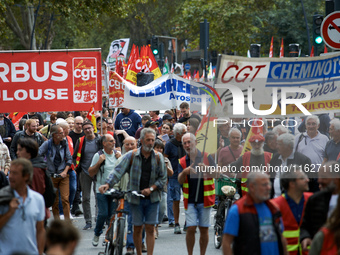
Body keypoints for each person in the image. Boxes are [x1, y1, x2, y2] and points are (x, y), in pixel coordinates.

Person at [99, 128, 167, 255]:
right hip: (135, 198)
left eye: (152, 140)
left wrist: (151, 189)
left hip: (152, 198)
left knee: (150, 228)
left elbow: (163, 178)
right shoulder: (131, 155)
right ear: (141, 140)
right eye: (148, 140)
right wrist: (107, 184)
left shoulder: (158, 157)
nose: (151, 143)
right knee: (137, 228)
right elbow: (118, 171)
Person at [222, 171, 287, 255]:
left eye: (269, 184)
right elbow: (226, 242)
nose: (269, 188)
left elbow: (281, 238)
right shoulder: (237, 210)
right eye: (264, 185)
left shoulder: (273, 208)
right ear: (252, 187)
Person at [178, 133, 215, 255]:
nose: (188, 145)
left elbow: (217, 174)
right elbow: (179, 180)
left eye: (190, 142)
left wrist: (207, 169)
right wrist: (184, 172)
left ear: (196, 142)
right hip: (190, 201)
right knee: (191, 228)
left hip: (205, 200)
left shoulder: (206, 156)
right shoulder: (182, 161)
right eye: (185, 143)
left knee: (204, 229)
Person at [0, 158, 45, 255]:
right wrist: (9, 213)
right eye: (10, 172)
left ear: (26, 176)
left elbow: (40, 230)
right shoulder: (2, 198)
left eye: (15, 173)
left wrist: (40, 252)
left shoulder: (38, 199)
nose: (10, 176)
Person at [88, 134, 122, 246]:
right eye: (111, 141)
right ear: (104, 143)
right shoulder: (99, 155)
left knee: (112, 215)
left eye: (114, 141)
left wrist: (120, 159)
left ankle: (109, 237)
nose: (114, 143)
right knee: (103, 214)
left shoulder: (117, 155)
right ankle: (97, 233)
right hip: (101, 189)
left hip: (114, 190)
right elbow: (91, 172)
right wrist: (99, 162)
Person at [299, 161, 340, 252]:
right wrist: (305, 237)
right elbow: (305, 226)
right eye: (319, 176)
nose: (319, 180)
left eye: (324, 177)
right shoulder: (314, 200)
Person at [272, 167, 312, 255]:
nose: (307, 180)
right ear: (292, 184)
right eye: (302, 178)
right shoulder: (275, 205)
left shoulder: (312, 200)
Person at [39, 125, 72, 220]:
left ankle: (67, 222)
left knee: (65, 199)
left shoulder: (64, 143)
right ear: (54, 135)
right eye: (61, 133)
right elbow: (38, 154)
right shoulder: (47, 144)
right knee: (55, 201)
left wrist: (65, 172)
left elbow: (69, 159)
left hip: (63, 175)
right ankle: (57, 222)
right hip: (52, 176)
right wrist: (45, 167)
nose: (63, 134)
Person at [73, 121, 101, 230]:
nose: (88, 131)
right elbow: (75, 156)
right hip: (85, 172)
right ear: (83, 131)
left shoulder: (99, 140)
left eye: (89, 128)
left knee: (99, 196)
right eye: (85, 129)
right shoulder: (81, 141)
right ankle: (88, 221)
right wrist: (76, 167)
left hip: (98, 171)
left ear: (93, 128)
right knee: (85, 198)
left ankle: (99, 219)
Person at [17, 138, 51, 219]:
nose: (17, 152)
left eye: (20, 150)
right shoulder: (29, 167)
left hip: (34, 213)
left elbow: (38, 191)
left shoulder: (35, 170)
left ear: (29, 152)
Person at [269, 133, 311, 198]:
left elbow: (309, 182)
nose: (277, 147)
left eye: (279, 144)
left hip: (293, 200)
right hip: (275, 199)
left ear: (288, 146)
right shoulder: (275, 158)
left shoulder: (303, 160)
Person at [294, 115, 329, 192]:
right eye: (309, 124)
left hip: (318, 176)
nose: (311, 126)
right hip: (302, 175)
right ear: (305, 126)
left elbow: (327, 157)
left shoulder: (324, 139)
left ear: (318, 125)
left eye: (313, 124)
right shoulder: (299, 137)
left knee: (317, 200)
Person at [164, 123, 187, 233]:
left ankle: (188, 222)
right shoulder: (169, 144)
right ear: (178, 134)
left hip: (187, 175)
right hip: (174, 176)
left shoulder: (187, 143)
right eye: (184, 132)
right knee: (175, 200)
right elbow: (165, 159)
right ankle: (176, 223)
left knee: (189, 199)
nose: (186, 134)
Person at [153, 139, 173, 239]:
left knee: (162, 208)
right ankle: (153, 227)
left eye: (161, 148)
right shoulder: (150, 158)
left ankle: (157, 224)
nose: (160, 150)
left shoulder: (165, 160)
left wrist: (166, 168)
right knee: (153, 209)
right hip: (151, 188)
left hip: (163, 188)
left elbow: (171, 173)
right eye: (157, 148)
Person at [68, 116, 84, 216]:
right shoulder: (70, 135)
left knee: (81, 186)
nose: (79, 126)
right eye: (77, 123)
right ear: (74, 124)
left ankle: (75, 205)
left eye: (81, 123)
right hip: (74, 164)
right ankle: (75, 205)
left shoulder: (84, 134)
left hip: (84, 163)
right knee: (76, 186)